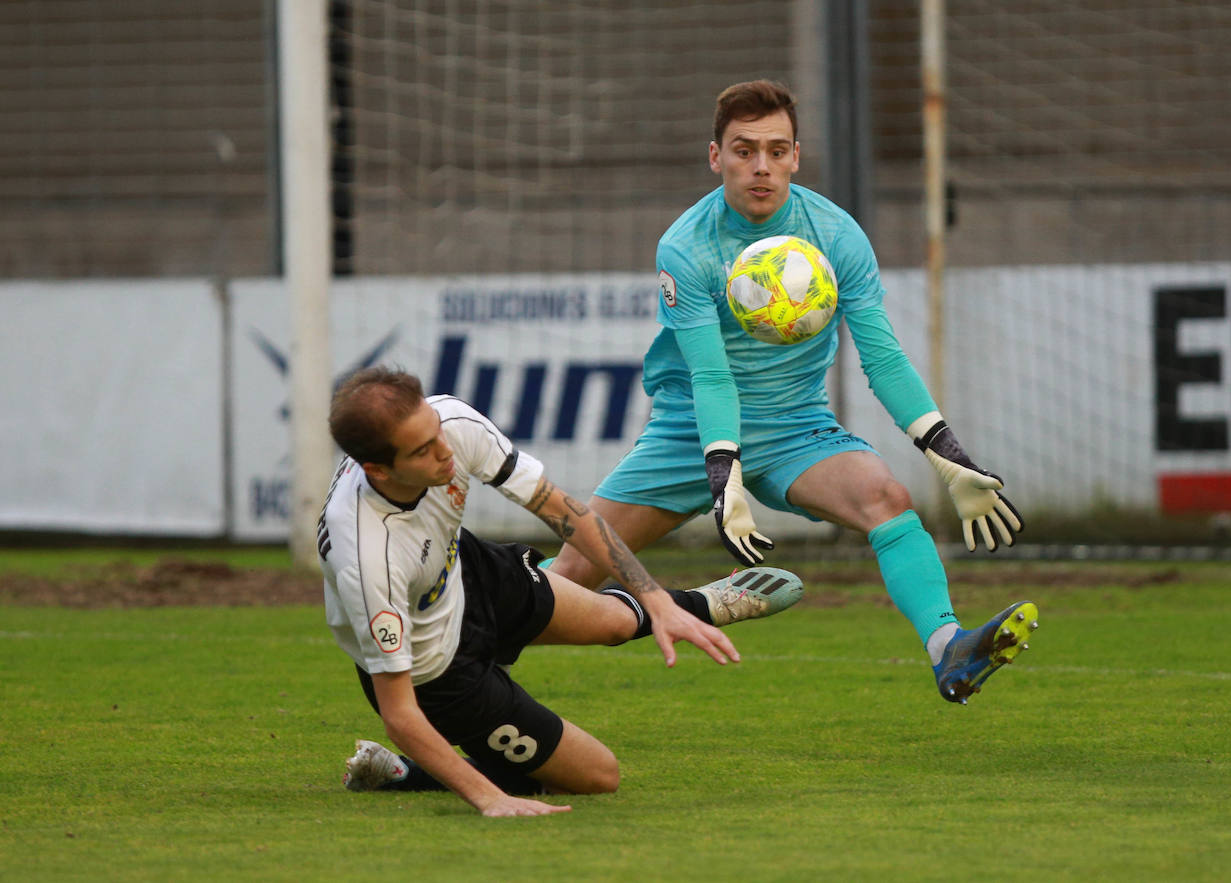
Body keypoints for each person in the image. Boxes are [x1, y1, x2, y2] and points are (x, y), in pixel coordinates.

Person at [549, 79, 1038, 705]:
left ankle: (950, 649)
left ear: (796, 157)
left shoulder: (835, 235)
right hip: (689, 432)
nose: (761, 167)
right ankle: (467, 643)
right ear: (715, 156)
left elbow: (882, 357)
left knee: (884, 495)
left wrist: (947, 454)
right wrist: (722, 470)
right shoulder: (686, 246)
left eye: (776, 151)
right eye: (744, 150)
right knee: (571, 575)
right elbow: (711, 375)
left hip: (795, 428)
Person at [318, 366, 802, 818]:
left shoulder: (451, 423)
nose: (444, 451)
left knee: (615, 622)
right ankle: (407, 774)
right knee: (596, 776)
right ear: (377, 469)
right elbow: (400, 714)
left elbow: (561, 510)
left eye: (436, 433)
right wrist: (490, 801)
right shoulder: (367, 557)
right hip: (437, 671)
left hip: (467, 569)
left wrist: (652, 594)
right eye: (421, 451)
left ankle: (697, 607)